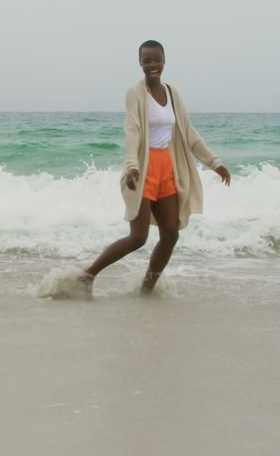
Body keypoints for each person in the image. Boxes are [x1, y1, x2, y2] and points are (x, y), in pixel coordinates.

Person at [82, 40, 230, 295]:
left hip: (168, 169)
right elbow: (132, 130)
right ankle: (88, 275)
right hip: (143, 169)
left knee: (171, 235)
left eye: (156, 59)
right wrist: (131, 166)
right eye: (147, 60)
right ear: (140, 63)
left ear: (164, 60)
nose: (152, 65)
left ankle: (147, 289)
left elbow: (188, 132)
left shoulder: (172, 92)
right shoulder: (135, 93)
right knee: (138, 238)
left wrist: (215, 163)